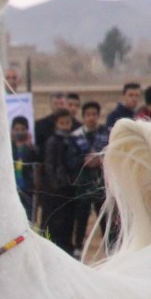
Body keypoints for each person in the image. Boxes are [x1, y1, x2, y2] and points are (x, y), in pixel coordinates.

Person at [65, 101, 109, 257]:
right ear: (83, 117)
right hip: (83, 184)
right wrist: (84, 160)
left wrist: (101, 160)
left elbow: (113, 154)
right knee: (81, 217)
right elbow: (70, 160)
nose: (91, 118)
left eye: (94, 114)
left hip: (101, 184)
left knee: (104, 217)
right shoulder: (75, 136)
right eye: (88, 115)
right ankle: (78, 247)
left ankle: (109, 247)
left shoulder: (106, 134)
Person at [38, 107, 77, 256]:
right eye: (62, 123)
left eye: (68, 123)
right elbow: (49, 165)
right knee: (53, 221)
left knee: (67, 221)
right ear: (56, 124)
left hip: (68, 187)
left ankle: (66, 249)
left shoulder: (72, 140)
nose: (65, 126)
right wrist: (54, 185)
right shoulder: (52, 141)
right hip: (55, 189)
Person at [10, 115, 39, 220]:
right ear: (12, 131)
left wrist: (30, 146)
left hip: (26, 188)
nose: (19, 132)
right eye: (17, 129)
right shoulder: (9, 147)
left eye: (23, 129)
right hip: (11, 188)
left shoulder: (31, 148)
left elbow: (36, 163)